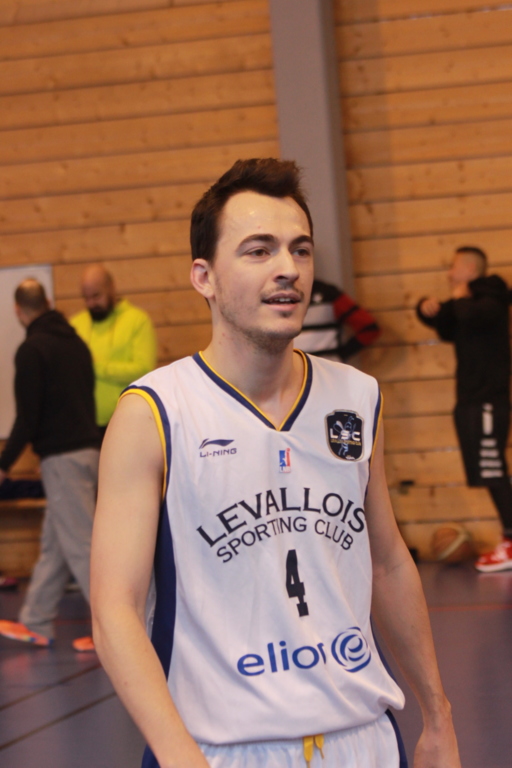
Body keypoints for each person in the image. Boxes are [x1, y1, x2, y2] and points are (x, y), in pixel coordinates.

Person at [91, 159, 460, 768]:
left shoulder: (356, 398)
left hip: (363, 740)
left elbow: (388, 560)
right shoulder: (154, 413)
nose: (288, 267)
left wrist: (438, 718)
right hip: (220, 750)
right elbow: (115, 610)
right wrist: (178, 754)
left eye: (300, 249)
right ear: (205, 277)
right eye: (259, 251)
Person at [0, 280, 101, 650]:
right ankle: (36, 621)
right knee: (55, 546)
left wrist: (4, 464)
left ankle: (117, 634)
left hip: (63, 460)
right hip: (88, 452)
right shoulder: (76, 343)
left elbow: (28, 416)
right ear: (47, 302)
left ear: (18, 310)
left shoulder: (32, 350)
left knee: (83, 547)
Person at [417, 246, 512, 573]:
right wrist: (425, 307)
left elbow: (471, 314)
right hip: (471, 399)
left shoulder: (492, 298)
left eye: (454, 267)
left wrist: (457, 298)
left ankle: (510, 541)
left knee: (492, 468)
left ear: (470, 270)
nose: (449, 274)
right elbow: (447, 326)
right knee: (487, 470)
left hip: (488, 399)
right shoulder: (466, 303)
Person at [70, 265, 157, 436]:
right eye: (86, 298)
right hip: (83, 425)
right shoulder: (75, 325)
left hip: (128, 422)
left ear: (111, 288)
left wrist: (96, 367)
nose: (91, 303)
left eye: (96, 296)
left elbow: (144, 369)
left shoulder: (137, 321)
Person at [295, 278, 380, 361]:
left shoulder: (328, 294)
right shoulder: (327, 292)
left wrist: (342, 355)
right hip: (294, 366)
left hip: (326, 365)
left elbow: (369, 328)